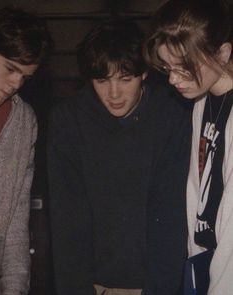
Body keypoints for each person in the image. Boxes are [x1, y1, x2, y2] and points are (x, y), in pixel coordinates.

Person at [47, 19, 192, 295]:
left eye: (126, 79)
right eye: (102, 80)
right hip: (91, 284)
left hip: (152, 284)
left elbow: (171, 218)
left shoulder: (171, 117)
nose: (114, 94)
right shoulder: (68, 121)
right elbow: (67, 223)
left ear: (145, 73)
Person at [145, 0, 233, 294]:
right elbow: (197, 188)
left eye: (183, 68)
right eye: (168, 67)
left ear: (222, 52)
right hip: (207, 259)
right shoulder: (201, 102)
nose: (172, 79)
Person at [0, 6, 51, 295]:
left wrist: (15, 288)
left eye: (25, 77)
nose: (16, 84)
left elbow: (18, 219)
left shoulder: (24, 121)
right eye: (10, 69)